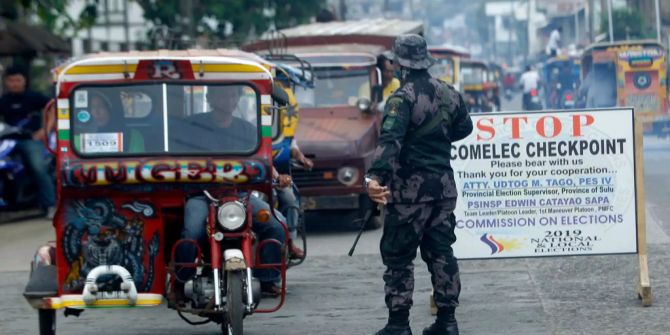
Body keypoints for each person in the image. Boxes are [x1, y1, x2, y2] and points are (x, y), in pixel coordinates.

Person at [365, 34, 473, 335]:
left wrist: (375, 178)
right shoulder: (449, 93)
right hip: (443, 190)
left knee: (399, 257)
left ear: (400, 64)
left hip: (409, 193)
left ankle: (399, 325)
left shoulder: (402, 98)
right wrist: (434, 141)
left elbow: (391, 141)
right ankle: (447, 322)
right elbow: (465, 127)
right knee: (441, 253)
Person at [0, 65, 55, 218]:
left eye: (18, 80)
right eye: (11, 80)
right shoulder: (3, 100)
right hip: (8, 141)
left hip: (30, 141)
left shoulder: (34, 96)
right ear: (5, 82)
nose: (14, 83)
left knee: (38, 167)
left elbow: (53, 107)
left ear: (24, 81)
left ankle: (51, 205)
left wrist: (46, 130)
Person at [73, 91, 145, 153]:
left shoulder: (134, 136)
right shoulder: (77, 137)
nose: (96, 112)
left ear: (112, 110)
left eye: (101, 106)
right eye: (92, 107)